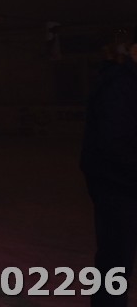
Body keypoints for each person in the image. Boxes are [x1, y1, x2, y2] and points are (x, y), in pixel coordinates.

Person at [80, 38, 137, 307]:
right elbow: (113, 142)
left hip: (119, 182)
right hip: (116, 185)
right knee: (116, 256)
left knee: (117, 255)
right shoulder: (121, 84)